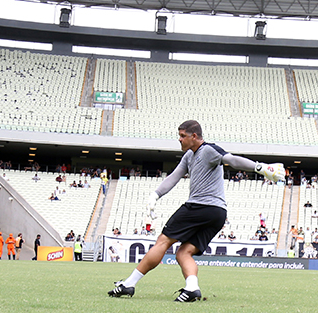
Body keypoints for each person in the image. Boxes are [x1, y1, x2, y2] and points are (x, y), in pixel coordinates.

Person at [108, 120, 285, 302]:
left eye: (183, 136)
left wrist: (260, 167)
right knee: (183, 252)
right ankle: (192, 288)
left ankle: (129, 283)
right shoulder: (188, 156)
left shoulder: (208, 150)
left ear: (194, 136)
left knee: (162, 241)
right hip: (218, 214)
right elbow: (174, 177)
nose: (179, 139)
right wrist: (155, 195)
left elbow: (231, 160)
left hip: (200, 207)